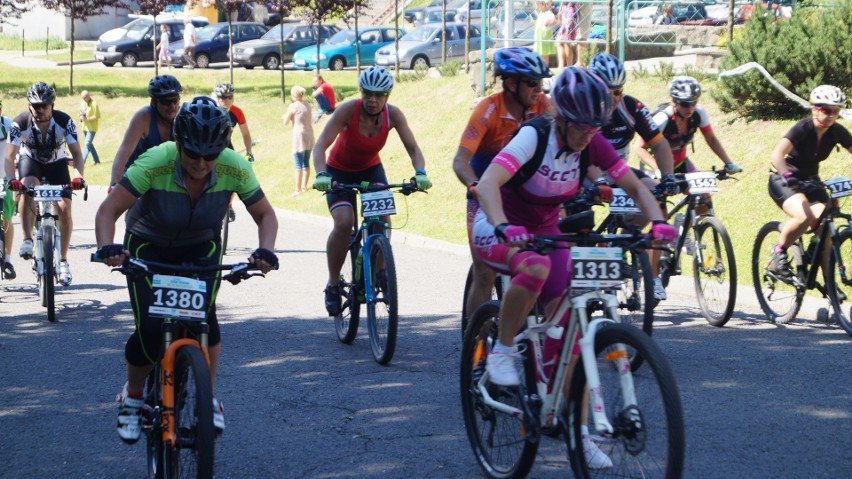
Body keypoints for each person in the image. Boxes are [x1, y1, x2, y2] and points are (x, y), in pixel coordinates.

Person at [471, 67, 676, 468]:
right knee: (533, 270)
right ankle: (502, 350)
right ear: (561, 118)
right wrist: (501, 225)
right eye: (582, 127)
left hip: (547, 230)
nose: (588, 136)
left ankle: (576, 430)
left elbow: (633, 186)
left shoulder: (591, 142)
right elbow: (488, 184)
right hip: (497, 226)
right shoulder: (535, 136)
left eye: (595, 127)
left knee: (572, 332)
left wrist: (659, 221)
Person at [94, 96, 279, 444]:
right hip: (149, 244)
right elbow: (108, 211)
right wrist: (108, 246)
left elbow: (266, 215)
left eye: (211, 155)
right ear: (178, 144)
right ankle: (133, 396)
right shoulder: (156, 160)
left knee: (205, 321)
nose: (201, 162)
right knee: (150, 328)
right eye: (193, 153)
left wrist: (265, 250)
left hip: (200, 246)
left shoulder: (234, 166)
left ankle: (207, 399)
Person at [312, 66, 432, 316]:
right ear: (361, 92)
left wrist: (420, 173)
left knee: (382, 221)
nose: (372, 100)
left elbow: (413, 149)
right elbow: (320, 145)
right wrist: (322, 174)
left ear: (387, 96)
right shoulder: (348, 110)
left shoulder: (393, 115)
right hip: (338, 171)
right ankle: (333, 284)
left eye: (379, 95)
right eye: (367, 93)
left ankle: (379, 272)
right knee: (344, 222)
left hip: (370, 170)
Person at [452, 47, 552, 331]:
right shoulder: (488, 110)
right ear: (511, 84)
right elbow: (461, 160)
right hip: (486, 195)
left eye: (541, 83)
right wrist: (474, 185)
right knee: (484, 273)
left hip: (527, 196)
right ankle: (477, 342)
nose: (539, 89)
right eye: (532, 83)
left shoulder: (544, 106)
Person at [589, 52, 679, 300]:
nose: (613, 98)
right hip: (583, 170)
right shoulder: (583, 108)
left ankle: (632, 248)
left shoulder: (631, 107)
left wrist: (669, 178)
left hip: (617, 170)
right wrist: (597, 182)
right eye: (606, 91)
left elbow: (660, 145)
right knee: (577, 217)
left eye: (617, 91)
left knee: (656, 193)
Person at [4, 82, 85, 286]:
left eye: (44, 105)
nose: (40, 109)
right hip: (30, 161)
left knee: (65, 210)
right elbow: (9, 156)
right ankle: (27, 239)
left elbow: (76, 153)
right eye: (35, 105)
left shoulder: (64, 121)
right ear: (29, 106)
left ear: (52, 105)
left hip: (57, 163)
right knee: (27, 187)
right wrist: (12, 180)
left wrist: (78, 177)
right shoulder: (19, 123)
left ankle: (64, 261)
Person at [766, 85, 852, 276]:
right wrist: (787, 175)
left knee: (826, 226)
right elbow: (777, 155)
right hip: (784, 179)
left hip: (811, 181)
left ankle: (829, 287)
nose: (831, 115)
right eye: (826, 110)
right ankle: (778, 253)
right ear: (815, 109)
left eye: (836, 111)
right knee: (803, 215)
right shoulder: (802, 128)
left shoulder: (837, 132)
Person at [110, 75, 182, 187]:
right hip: (136, 177)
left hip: (164, 180)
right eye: (166, 102)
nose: (172, 106)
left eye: (175, 100)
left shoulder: (183, 117)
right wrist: (114, 184)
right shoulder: (143, 117)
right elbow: (123, 152)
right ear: (154, 102)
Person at [283, 84, 314, 197]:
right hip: (309, 135)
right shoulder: (308, 105)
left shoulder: (293, 106)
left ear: (293, 95)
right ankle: (304, 187)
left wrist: (285, 117)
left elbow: (285, 122)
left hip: (299, 137)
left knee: (298, 163)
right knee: (306, 162)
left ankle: (297, 189)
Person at [213, 82, 254, 161]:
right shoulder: (211, 110)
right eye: (224, 97)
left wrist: (249, 152)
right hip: (209, 148)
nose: (227, 100)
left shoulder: (237, 112)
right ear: (218, 98)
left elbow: (245, 134)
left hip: (227, 146)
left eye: (230, 97)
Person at [0, 99, 16, 279]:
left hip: (5, 178)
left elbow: (23, 143)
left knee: (6, 219)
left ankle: (8, 260)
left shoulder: (8, 125)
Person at [79, 90, 101, 166]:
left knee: (87, 143)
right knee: (89, 144)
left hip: (92, 128)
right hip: (84, 127)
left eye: (85, 97)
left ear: (89, 96)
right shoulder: (82, 103)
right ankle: (96, 160)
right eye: (82, 97)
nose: (83, 99)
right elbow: (80, 112)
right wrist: (81, 118)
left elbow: (97, 116)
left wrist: (87, 119)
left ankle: (82, 161)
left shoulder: (94, 104)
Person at [533, 1, 557, 67]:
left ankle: (545, 66)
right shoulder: (540, 13)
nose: (537, 6)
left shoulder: (548, 13)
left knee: (545, 52)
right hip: (539, 34)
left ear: (543, 5)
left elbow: (555, 21)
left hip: (545, 34)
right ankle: (540, 65)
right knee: (539, 51)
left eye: (538, 4)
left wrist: (548, 24)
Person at [554, 1, 577, 69]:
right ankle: (562, 65)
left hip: (570, 10)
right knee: (559, 42)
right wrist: (560, 12)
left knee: (566, 42)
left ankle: (568, 65)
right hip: (566, 9)